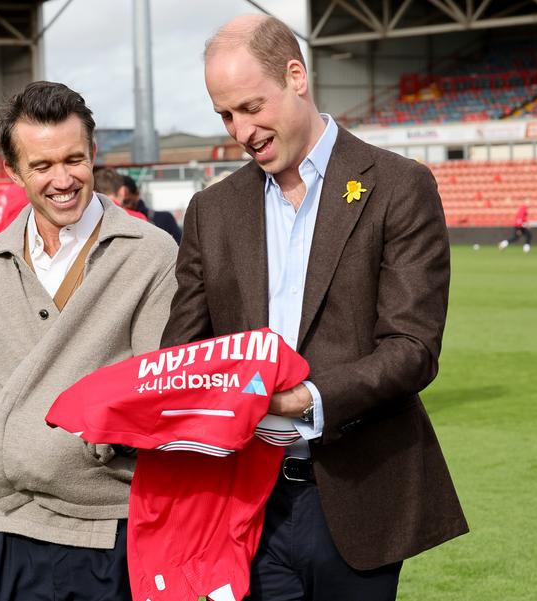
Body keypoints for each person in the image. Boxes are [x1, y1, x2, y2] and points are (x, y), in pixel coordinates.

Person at [161, 15, 468, 601]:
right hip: (247, 506)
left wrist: (305, 400)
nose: (241, 131)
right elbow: (181, 353)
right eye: (226, 115)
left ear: (296, 76)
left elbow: (412, 349)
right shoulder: (211, 210)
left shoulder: (400, 186)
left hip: (358, 494)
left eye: (252, 106)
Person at [0, 81, 178, 601]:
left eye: (74, 159)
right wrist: (15, 450)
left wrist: (79, 449)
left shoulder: (151, 253)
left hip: (117, 527)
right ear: (14, 172)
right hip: (9, 525)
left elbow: (161, 388)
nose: (63, 180)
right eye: (42, 166)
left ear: (93, 155)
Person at [122, 175, 182, 244]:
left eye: (126, 202)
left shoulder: (164, 219)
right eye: (115, 204)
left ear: (137, 195)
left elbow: (180, 249)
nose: (121, 208)